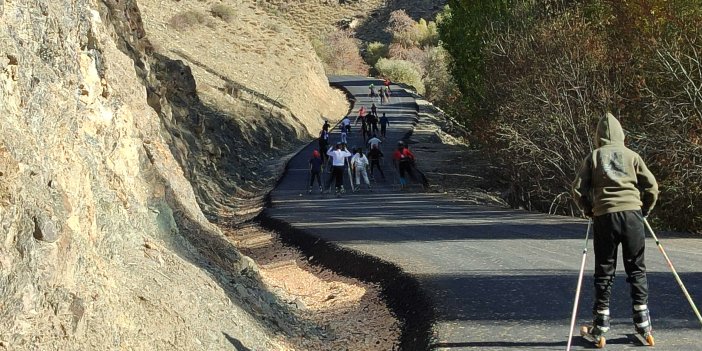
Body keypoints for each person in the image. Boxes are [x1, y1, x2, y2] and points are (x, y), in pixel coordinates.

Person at [572, 113, 659, 347]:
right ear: (622, 136)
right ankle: (644, 324)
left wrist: (588, 209)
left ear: (599, 137)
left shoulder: (594, 156)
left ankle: (600, 327)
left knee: (604, 271)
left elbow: (578, 189)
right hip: (632, 217)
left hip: (605, 217)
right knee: (636, 269)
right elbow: (652, 187)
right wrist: (644, 210)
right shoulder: (633, 156)